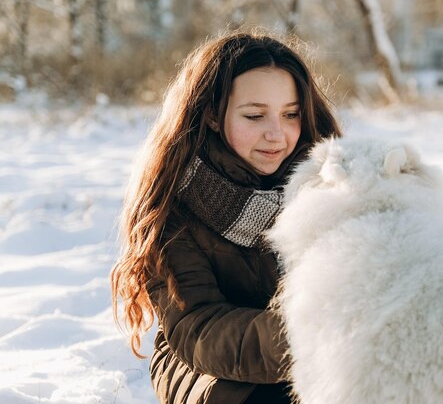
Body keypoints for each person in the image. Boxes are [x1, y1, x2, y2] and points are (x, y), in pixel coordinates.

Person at [110, 31, 342, 404]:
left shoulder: (333, 185)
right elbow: (197, 327)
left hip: (331, 351)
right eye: (254, 115)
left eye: (290, 114)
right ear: (213, 116)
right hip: (209, 369)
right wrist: (315, 331)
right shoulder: (174, 201)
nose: (276, 134)